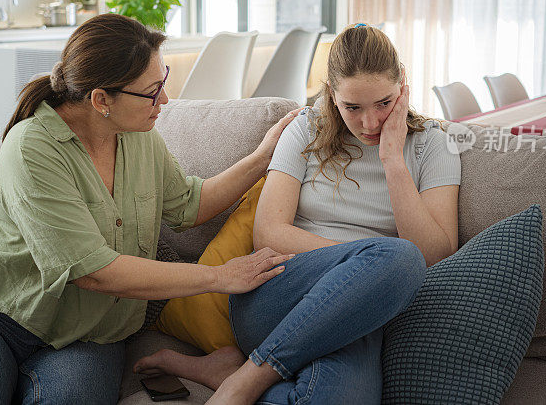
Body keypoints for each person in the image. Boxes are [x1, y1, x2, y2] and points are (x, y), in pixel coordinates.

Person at [0, 13, 300, 404]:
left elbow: (188, 205)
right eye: (152, 91)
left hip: (91, 335)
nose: (164, 99)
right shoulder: (32, 147)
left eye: (162, 82)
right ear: (101, 100)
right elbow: (92, 272)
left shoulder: (138, 136)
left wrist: (262, 157)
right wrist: (219, 277)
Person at [133, 23, 462, 404]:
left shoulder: (434, 145)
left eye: (384, 103)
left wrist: (392, 160)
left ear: (403, 83)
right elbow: (269, 235)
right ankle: (246, 380)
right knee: (397, 256)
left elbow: (435, 256)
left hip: (363, 308)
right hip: (276, 293)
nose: (370, 123)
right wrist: (359, 264)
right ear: (331, 94)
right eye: (352, 107)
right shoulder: (306, 128)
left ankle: (234, 373)